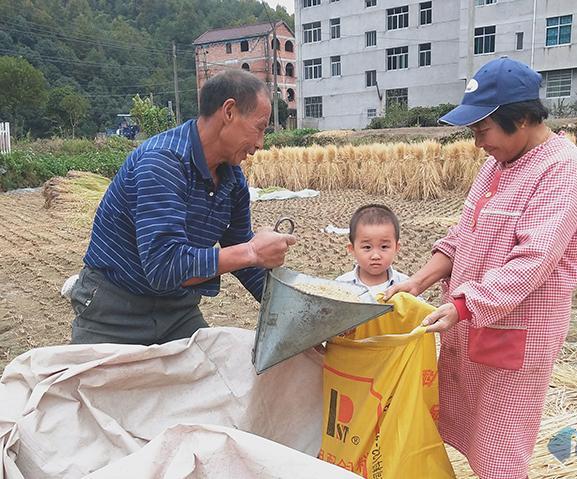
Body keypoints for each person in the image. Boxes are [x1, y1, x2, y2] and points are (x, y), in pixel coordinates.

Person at [384, 57, 577, 479]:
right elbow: (464, 233)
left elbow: (533, 260)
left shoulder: (564, 171)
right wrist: (418, 282)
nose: (478, 143)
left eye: (483, 131)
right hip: (473, 325)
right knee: (468, 428)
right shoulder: (494, 167)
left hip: (516, 333)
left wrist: (464, 306)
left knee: (502, 448)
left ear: (520, 120)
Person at [70, 69, 296, 345]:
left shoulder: (232, 177)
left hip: (177, 310)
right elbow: (164, 266)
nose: (260, 143)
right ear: (229, 112)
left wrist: (292, 313)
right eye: (259, 127)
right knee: (98, 386)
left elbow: (240, 248)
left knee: (210, 378)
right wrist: (251, 251)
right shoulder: (163, 162)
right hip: (114, 309)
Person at [336, 204, 409, 298]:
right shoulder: (340, 286)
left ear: (396, 248)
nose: (375, 256)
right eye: (367, 247)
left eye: (384, 247)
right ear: (352, 249)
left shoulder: (404, 285)